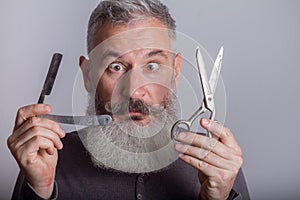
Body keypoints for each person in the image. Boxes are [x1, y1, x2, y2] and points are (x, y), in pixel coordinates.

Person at [7, 0, 250, 199]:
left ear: (175, 72)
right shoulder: (47, 159)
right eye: (116, 67)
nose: (135, 91)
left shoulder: (215, 164)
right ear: (88, 76)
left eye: (152, 65)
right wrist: (39, 190)